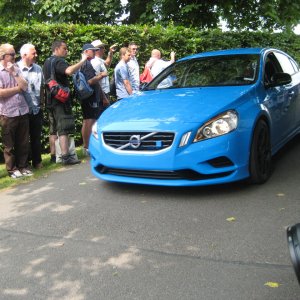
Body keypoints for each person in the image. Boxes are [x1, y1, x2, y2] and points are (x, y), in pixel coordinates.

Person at [43, 40, 87, 165]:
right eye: (64, 48)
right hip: (60, 99)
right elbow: (68, 71)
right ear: (56, 49)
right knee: (64, 128)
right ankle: (65, 156)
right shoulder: (59, 61)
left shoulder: (47, 61)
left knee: (53, 129)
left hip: (50, 100)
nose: (66, 50)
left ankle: (54, 157)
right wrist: (82, 60)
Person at [0, 43, 33, 178]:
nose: (15, 57)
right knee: (9, 145)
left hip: (22, 110)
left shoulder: (16, 68)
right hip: (7, 112)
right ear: (3, 56)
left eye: (15, 54)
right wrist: (17, 89)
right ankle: (12, 170)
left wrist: (14, 73)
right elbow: (1, 93)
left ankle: (23, 166)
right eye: (12, 55)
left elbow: (25, 86)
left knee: (23, 142)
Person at [80, 43, 110, 155]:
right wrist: (101, 75)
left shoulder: (86, 63)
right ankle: (87, 147)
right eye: (93, 50)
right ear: (87, 51)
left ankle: (87, 146)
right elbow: (90, 81)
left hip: (90, 96)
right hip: (89, 97)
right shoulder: (86, 64)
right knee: (89, 120)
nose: (95, 52)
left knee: (88, 119)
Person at [17, 43, 44, 169]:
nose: (36, 55)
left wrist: (42, 104)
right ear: (24, 55)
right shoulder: (16, 69)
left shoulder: (38, 68)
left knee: (36, 137)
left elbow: (42, 87)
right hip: (22, 109)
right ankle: (24, 164)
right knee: (22, 139)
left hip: (36, 108)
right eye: (34, 53)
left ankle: (37, 162)